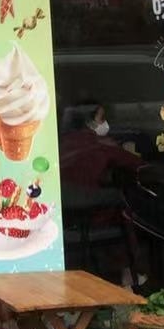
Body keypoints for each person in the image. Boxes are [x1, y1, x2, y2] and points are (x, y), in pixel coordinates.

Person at [58, 102, 147, 285]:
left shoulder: (59, 144)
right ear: (89, 121)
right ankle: (129, 271)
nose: (106, 123)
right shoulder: (99, 145)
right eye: (102, 118)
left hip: (66, 221)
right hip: (95, 217)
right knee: (126, 208)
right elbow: (139, 165)